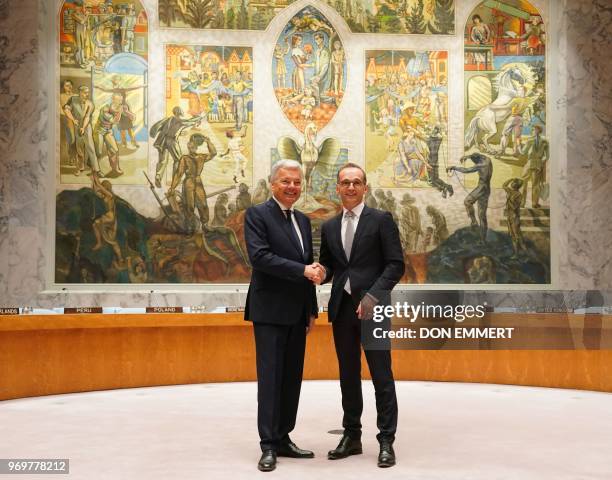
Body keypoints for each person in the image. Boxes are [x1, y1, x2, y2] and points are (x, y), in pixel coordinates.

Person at [318, 163, 405, 468]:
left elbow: (395, 265)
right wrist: (320, 272)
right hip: (342, 311)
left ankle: (386, 440)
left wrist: (372, 296)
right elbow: (331, 266)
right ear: (338, 188)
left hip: (374, 309)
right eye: (345, 183)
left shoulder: (381, 220)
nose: (351, 187)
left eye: (356, 182)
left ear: (365, 187)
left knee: (382, 376)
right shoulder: (328, 227)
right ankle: (352, 436)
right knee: (348, 376)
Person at [243, 160, 321, 472]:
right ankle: (268, 445)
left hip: (297, 312)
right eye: (286, 182)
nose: (292, 187)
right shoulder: (257, 215)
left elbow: (310, 264)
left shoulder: (302, 220)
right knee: (271, 379)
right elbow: (260, 257)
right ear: (273, 183)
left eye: (297, 183)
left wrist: (312, 309)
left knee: (291, 379)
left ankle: (284, 436)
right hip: (270, 312)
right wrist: (303, 270)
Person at [168, 133, 216, 234]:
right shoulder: (184, 158)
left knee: (203, 204)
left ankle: (205, 225)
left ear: (196, 147)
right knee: (189, 206)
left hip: (198, 182)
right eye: (191, 146)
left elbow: (213, 153)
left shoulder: (201, 157)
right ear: (189, 146)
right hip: (188, 183)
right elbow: (179, 173)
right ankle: (189, 228)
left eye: (194, 146)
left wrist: (208, 142)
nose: (192, 147)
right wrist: (172, 187)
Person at [150, 106, 201, 188]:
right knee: (178, 160)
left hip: (162, 141)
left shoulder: (169, 119)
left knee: (162, 160)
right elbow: (190, 122)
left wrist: (180, 133)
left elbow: (169, 129)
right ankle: (176, 178)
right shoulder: (180, 120)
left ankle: (158, 176)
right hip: (172, 142)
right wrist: (198, 117)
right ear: (180, 112)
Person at [447, 153, 493, 243]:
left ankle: (473, 221)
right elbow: (478, 155)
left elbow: (466, 170)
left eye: (474, 161)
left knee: (467, 201)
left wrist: (454, 167)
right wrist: (468, 156)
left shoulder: (480, 165)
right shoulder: (488, 160)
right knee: (482, 216)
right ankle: (483, 239)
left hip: (481, 188)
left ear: (477, 161)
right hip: (487, 189)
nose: (474, 163)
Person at [63, 85, 101, 177]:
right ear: (80, 92)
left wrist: (83, 128)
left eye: (88, 92)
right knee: (79, 148)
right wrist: (73, 119)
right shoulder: (73, 99)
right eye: (85, 92)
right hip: (76, 126)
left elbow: (87, 117)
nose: (87, 94)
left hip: (86, 127)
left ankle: (96, 169)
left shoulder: (90, 104)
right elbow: (66, 109)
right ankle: (80, 167)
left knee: (91, 148)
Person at [520, 125, 549, 208]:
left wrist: (519, 146)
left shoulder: (530, 140)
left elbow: (523, 152)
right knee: (535, 185)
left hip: (530, 163)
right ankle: (534, 203)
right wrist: (541, 161)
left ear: (537, 130)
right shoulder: (544, 141)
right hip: (537, 164)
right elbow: (547, 156)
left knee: (524, 183)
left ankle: (522, 203)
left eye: (533, 129)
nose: (532, 131)